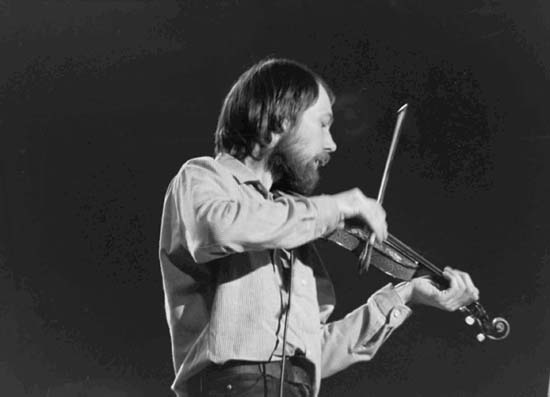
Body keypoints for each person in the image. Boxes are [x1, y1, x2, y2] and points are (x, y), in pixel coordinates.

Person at [159, 58, 479, 397]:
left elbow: (310, 355)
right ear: (280, 119)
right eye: (323, 124)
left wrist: (406, 295)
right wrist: (336, 206)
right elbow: (219, 228)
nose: (332, 144)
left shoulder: (291, 226)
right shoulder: (204, 177)